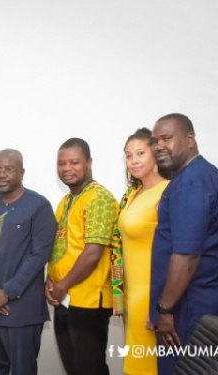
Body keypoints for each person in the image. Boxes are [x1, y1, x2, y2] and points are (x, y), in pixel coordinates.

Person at [0, 149, 56, 375]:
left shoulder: (39, 206)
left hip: (21, 310)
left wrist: (7, 292)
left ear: (22, 172)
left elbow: (39, 256)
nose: (1, 175)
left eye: (8, 169)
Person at [148, 113, 218, 374]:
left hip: (187, 311)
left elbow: (187, 256)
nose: (159, 146)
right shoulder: (201, 174)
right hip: (193, 304)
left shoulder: (191, 182)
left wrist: (165, 310)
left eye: (166, 138)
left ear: (190, 140)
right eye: (155, 141)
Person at [45, 137, 118, 375]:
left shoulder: (98, 198)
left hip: (88, 303)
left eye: (74, 162)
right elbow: (58, 248)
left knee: (90, 369)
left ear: (89, 163)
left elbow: (92, 253)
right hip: (65, 299)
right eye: (62, 163)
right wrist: (50, 280)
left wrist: (62, 285)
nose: (67, 169)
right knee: (73, 368)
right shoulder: (66, 201)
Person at [115, 128, 169, 375]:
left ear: (155, 154)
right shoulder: (132, 193)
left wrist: (162, 304)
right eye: (128, 155)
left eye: (140, 153)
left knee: (147, 367)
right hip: (131, 294)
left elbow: (175, 251)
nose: (133, 160)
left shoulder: (167, 191)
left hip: (151, 295)